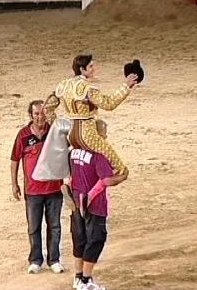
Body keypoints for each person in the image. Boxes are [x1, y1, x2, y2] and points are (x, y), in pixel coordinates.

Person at [38, 54, 138, 180]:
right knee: (120, 169)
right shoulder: (88, 89)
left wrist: (57, 124)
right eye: (90, 66)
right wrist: (126, 86)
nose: (93, 69)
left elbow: (47, 107)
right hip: (88, 135)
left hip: (70, 134)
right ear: (82, 69)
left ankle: (69, 185)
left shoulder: (63, 85)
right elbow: (109, 104)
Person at [69, 121, 127, 290]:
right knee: (95, 239)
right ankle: (86, 281)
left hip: (76, 197)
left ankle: (78, 277)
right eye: (104, 133)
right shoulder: (99, 155)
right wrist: (123, 176)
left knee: (79, 238)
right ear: (96, 135)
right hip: (94, 203)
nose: (105, 137)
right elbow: (107, 180)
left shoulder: (74, 151)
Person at [10, 100, 65, 274]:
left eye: (43, 113)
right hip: (32, 191)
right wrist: (14, 184)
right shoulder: (23, 135)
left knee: (54, 226)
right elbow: (15, 159)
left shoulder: (54, 132)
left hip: (55, 189)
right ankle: (35, 260)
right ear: (30, 115)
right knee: (34, 227)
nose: (40, 117)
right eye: (36, 113)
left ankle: (54, 260)